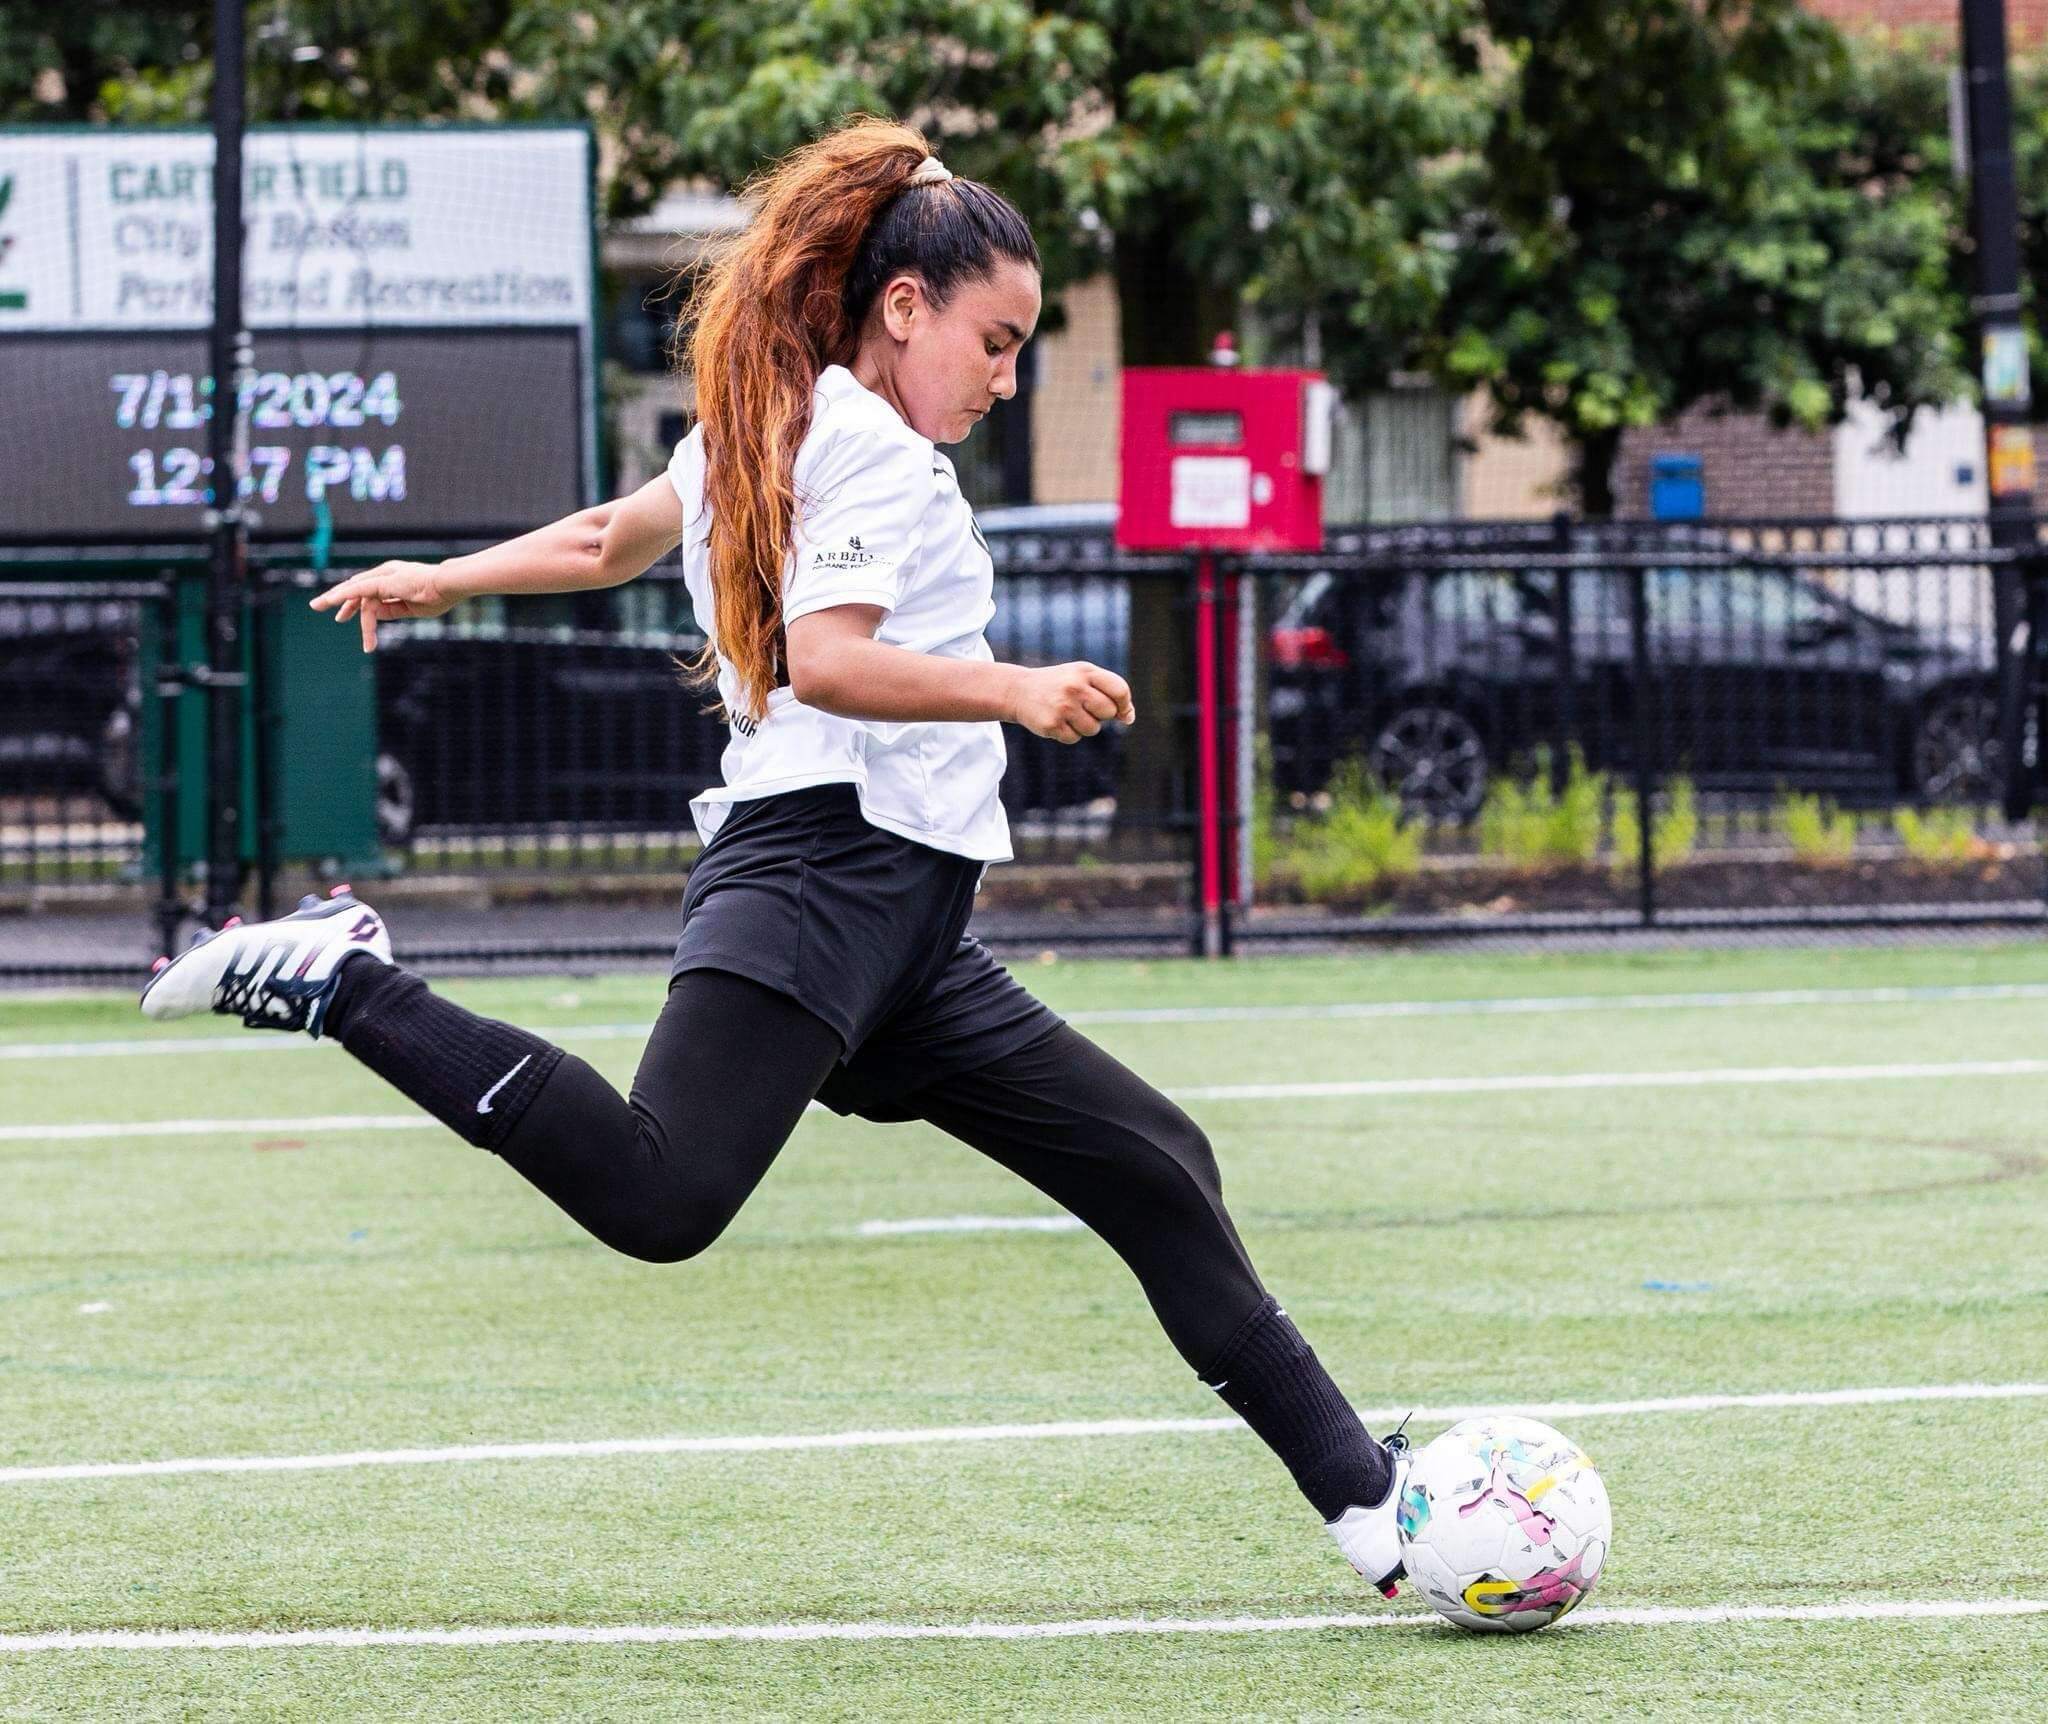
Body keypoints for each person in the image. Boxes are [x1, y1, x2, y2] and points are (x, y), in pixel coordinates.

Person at [138, 118, 1412, 1596]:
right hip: (825, 879)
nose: (1006, 380)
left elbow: (608, 540)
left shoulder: (777, 418)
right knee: (659, 1196)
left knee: (1156, 1166)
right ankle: (348, 984)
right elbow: (828, 661)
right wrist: (1014, 689)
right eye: (996, 344)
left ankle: (1373, 1504)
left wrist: (445, 577)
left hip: (905, 924)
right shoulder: (865, 446)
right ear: (905, 308)